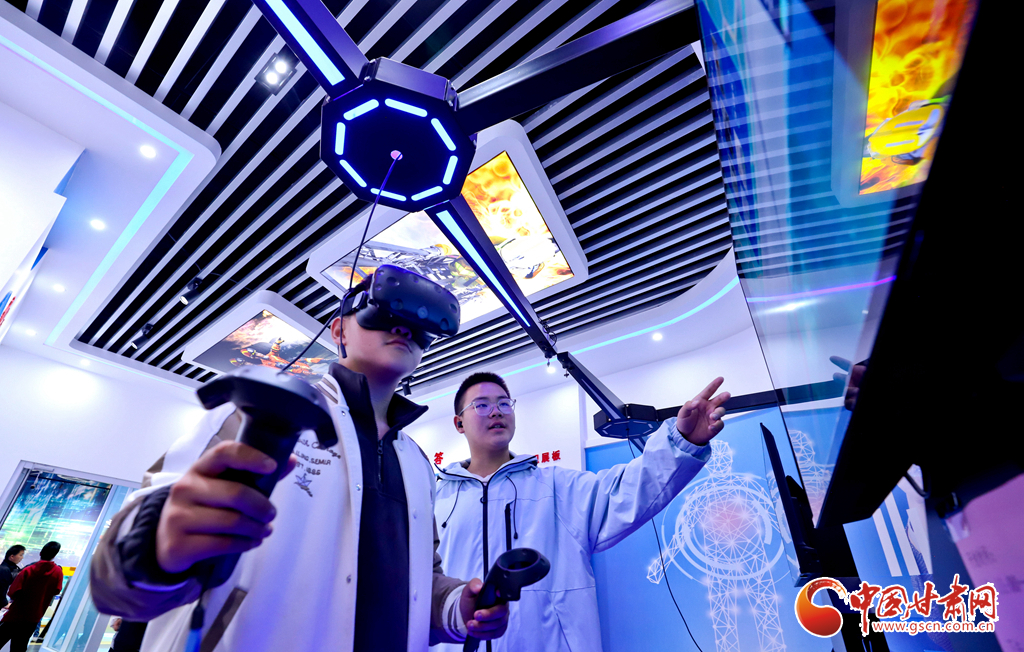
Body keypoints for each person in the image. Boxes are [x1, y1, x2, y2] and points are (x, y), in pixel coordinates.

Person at [90, 271, 509, 652]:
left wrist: (457, 606)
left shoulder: (416, 461)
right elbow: (118, 566)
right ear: (338, 330)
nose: (402, 327)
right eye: (378, 312)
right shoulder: (258, 412)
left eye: (418, 324)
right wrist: (158, 546)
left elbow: (419, 580)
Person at [434, 372, 730, 652]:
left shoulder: (556, 487)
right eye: (482, 405)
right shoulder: (433, 500)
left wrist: (682, 441)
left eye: (503, 404)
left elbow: (628, 489)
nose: (496, 412)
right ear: (459, 423)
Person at [0, 541, 63, 652]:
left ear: (40, 553)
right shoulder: (58, 572)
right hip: (34, 617)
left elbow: (12, 591)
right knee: (19, 647)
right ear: (54, 555)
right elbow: (57, 590)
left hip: (16, 614)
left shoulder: (29, 569)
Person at [1, 545, 25, 609]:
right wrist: (5, 604)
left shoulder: (11, 568)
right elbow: (1, 589)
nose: (22, 557)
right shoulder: (4, 570)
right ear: (12, 556)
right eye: (21, 555)